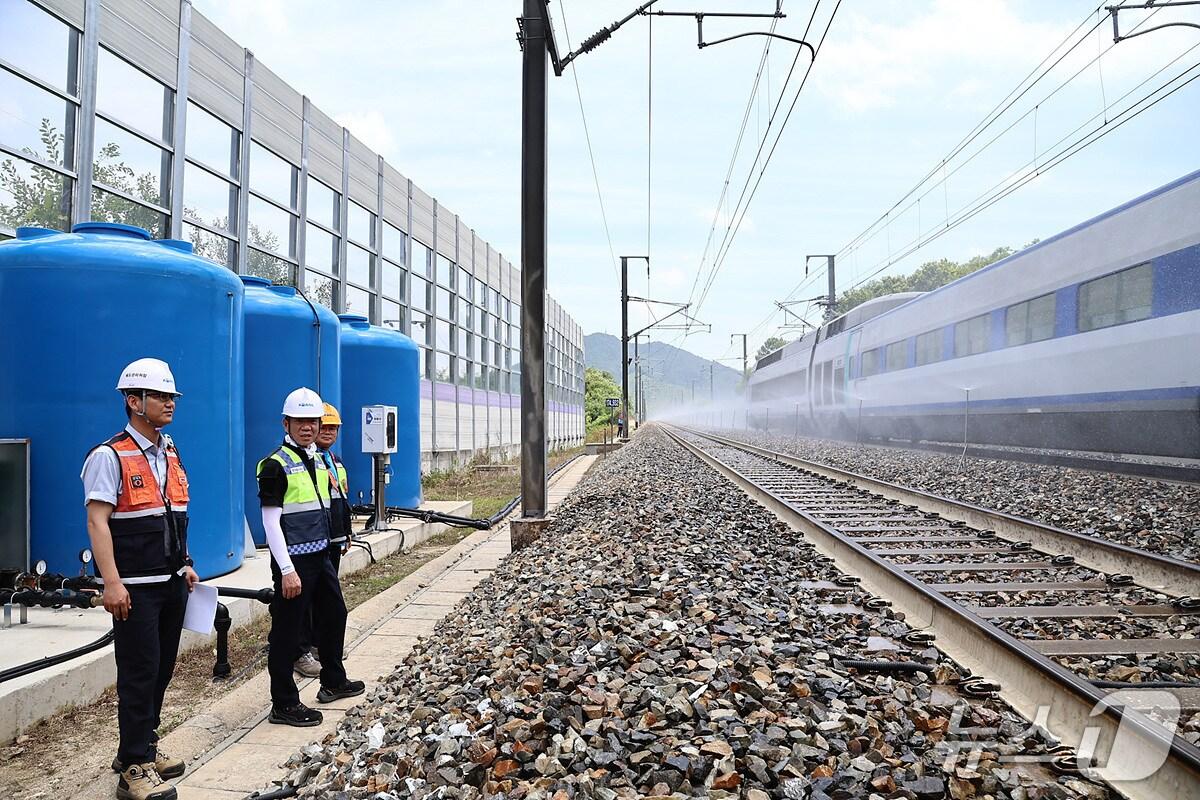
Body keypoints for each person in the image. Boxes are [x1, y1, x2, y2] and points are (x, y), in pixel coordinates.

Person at [81, 358, 198, 800]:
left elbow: (171, 514)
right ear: (134, 401)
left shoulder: (169, 450)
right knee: (139, 671)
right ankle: (133, 769)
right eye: (161, 396)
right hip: (134, 588)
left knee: (162, 669)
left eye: (172, 397)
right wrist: (111, 582)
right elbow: (98, 523)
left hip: (170, 581)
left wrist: (185, 562)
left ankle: (143, 745)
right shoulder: (108, 456)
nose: (170, 403)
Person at [257, 388, 363, 726]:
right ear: (286, 423)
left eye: (313, 421)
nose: (308, 427)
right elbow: (270, 522)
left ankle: (333, 680)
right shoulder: (275, 464)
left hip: (321, 555)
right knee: (288, 632)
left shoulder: (319, 458)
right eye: (300, 421)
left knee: (335, 614)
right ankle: (284, 703)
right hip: (295, 562)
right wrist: (287, 570)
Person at [293, 402, 353, 678]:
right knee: (304, 602)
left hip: (333, 538)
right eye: (324, 426)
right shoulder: (306, 462)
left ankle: (320, 644)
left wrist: (346, 532)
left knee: (327, 600)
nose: (327, 432)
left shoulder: (334, 461)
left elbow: (339, 499)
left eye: (333, 428)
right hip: (311, 542)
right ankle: (301, 650)